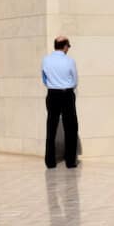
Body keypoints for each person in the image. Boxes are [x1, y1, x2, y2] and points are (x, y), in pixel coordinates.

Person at [42, 36, 79, 168]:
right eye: (68, 46)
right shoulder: (69, 61)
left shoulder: (45, 60)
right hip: (66, 94)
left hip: (52, 94)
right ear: (65, 46)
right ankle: (70, 161)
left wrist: (53, 85)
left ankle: (50, 161)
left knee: (51, 126)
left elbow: (44, 79)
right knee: (71, 127)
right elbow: (75, 80)